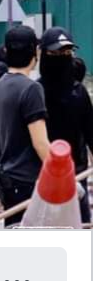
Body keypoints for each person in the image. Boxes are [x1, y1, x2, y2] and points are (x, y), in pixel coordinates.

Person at [0, 25, 50, 226]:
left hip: (8, 179)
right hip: (28, 181)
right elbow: (40, 143)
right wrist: (63, 175)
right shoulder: (31, 89)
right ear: (35, 52)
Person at [38, 27, 93, 223]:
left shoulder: (79, 93)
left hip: (77, 176)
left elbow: (91, 132)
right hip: (42, 176)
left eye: (67, 52)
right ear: (43, 54)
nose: (63, 57)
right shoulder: (35, 93)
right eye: (57, 52)